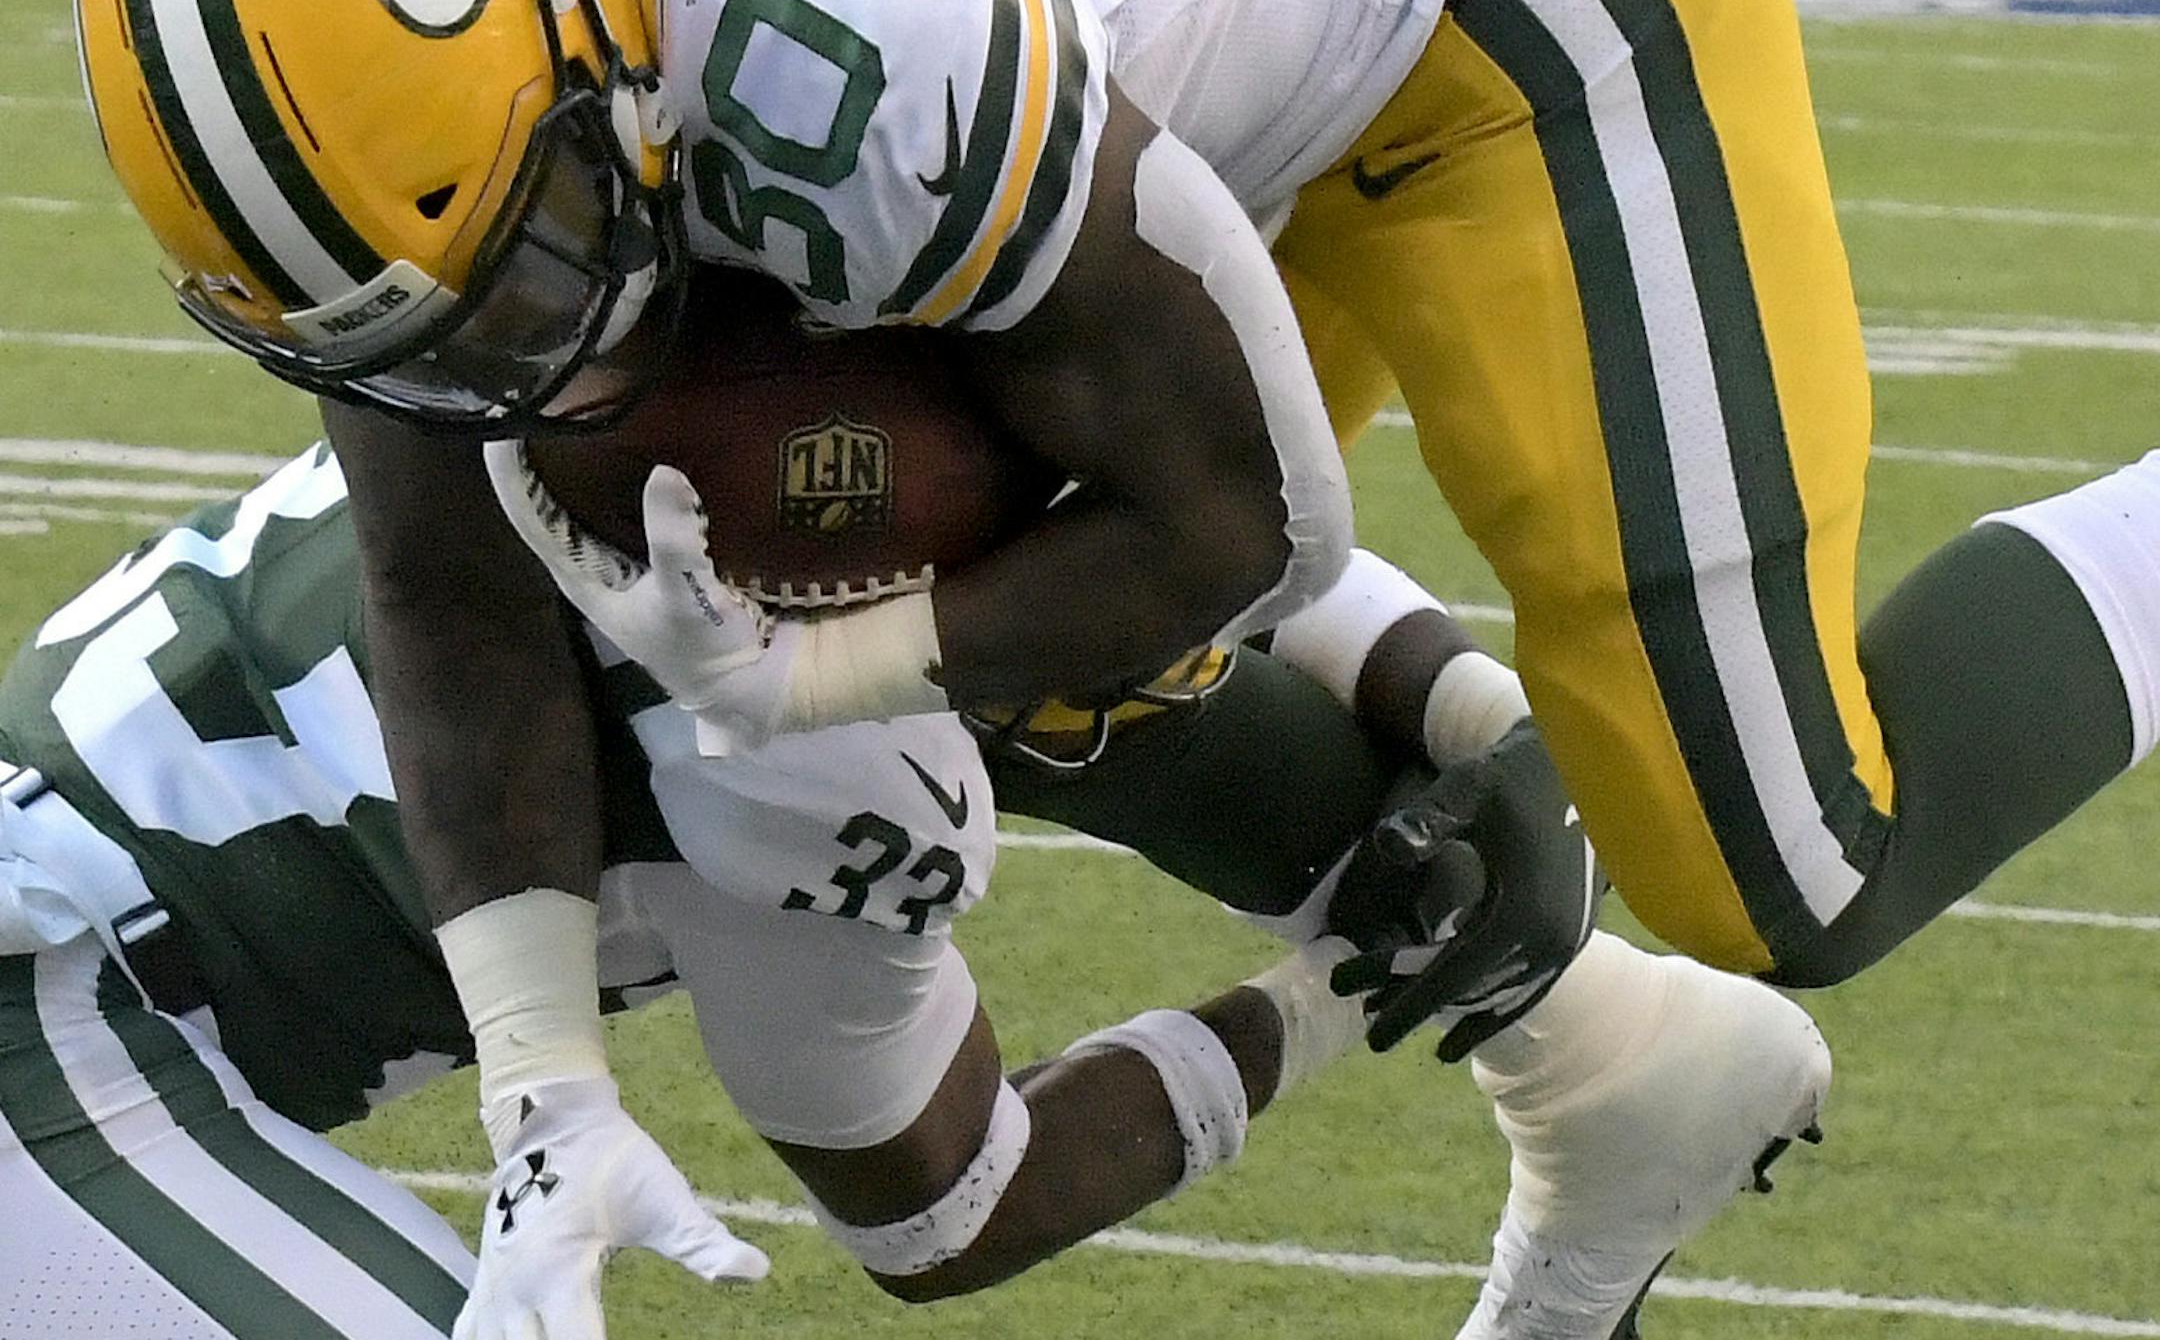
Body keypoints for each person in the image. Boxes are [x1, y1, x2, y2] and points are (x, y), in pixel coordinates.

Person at [73, 0, 2149, 1321]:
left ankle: (1634, 973)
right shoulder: (390, 137)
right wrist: (542, 1088)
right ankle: (1604, 1068)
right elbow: (449, 580)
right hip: (1130, 75)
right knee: (989, 596)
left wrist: (829, 674)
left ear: (576, 9)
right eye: (459, 321)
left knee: (1779, 859)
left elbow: (1244, 525)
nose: (542, 351)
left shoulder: (842, 40)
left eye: (532, 264)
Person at [0, 445, 1824, 1338]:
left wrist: (1477, 707)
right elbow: (951, 1211)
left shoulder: (730, 432)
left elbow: (1175, 507)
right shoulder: (820, 761)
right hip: (50, 1023)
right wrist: (1342, 994)